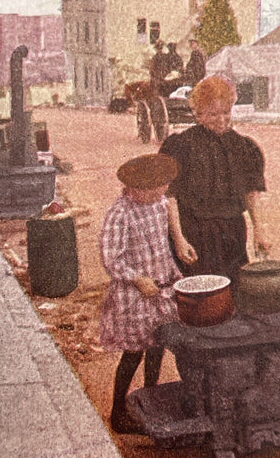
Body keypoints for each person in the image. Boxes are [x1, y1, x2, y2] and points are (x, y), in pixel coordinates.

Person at [159, 75, 271, 287]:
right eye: (213, 114)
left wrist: (259, 230)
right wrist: (178, 239)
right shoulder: (181, 146)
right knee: (202, 296)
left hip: (233, 233)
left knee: (235, 291)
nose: (221, 119)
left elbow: (251, 193)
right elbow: (170, 197)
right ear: (198, 114)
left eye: (225, 112)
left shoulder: (244, 147)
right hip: (195, 234)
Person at [99, 153, 182, 434]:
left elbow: (163, 248)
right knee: (133, 353)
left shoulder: (159, 206)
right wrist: (136, 278)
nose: (157, 194)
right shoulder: (119, 213)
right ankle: (117, 413)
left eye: (161, 188)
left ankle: (151, 397)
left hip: (159, 289)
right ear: (133, 188)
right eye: (150, 189)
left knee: (157, 345)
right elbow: (112, 258)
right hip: (134, 296)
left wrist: (174, 275)